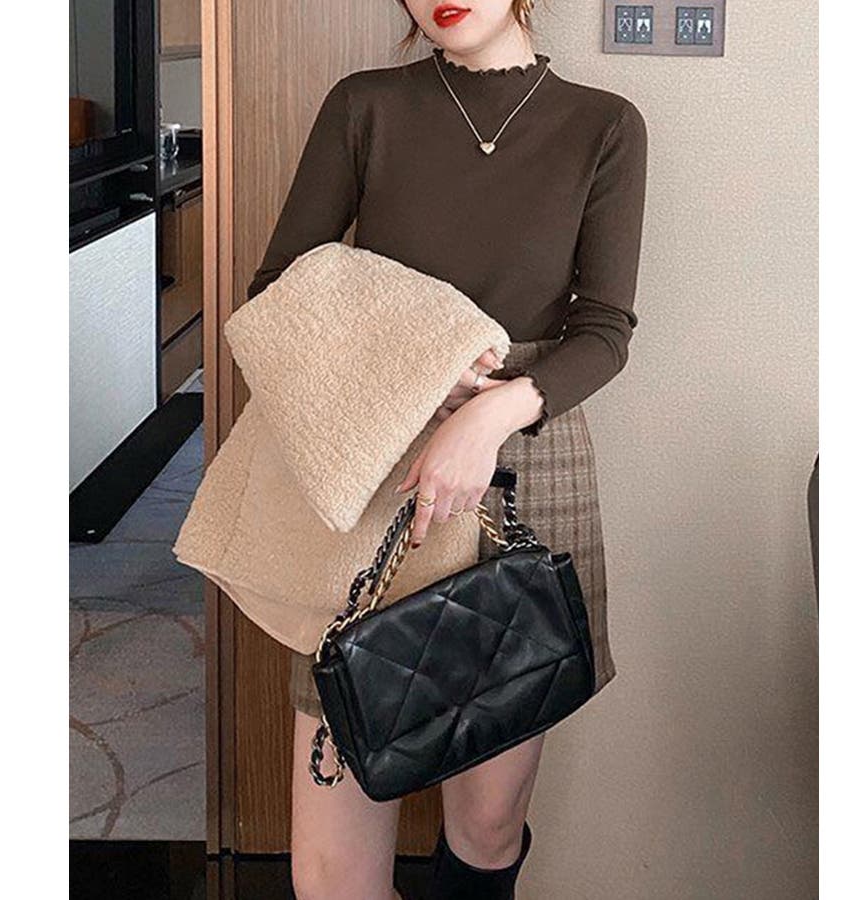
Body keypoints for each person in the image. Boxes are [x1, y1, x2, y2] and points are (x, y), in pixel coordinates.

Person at [245, 2, 648, 897]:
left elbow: (604, 330)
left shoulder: (605, 125)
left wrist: (489, 414)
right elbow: (280, 291)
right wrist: (413, 361)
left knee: (487, 826)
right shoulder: (365, 106)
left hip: (528, 460)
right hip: (371, 458)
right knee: (331, 872)